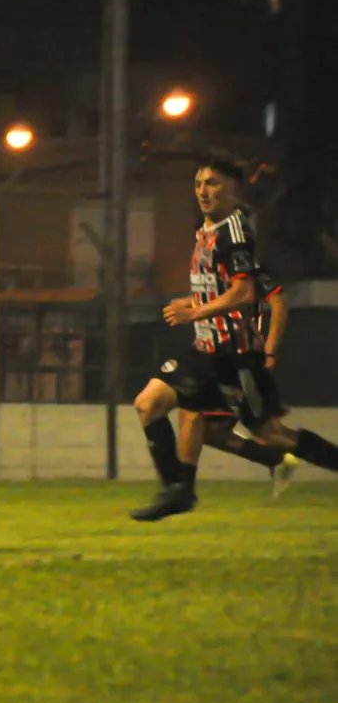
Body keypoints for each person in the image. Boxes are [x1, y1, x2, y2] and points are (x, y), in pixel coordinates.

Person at [131, 156, 338, 522]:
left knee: (271, 433)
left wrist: (195, 313)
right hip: (203, 350)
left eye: (212, 183)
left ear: (232, 188)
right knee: (150, 404)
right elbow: (220, 290)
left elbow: (244, 294)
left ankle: (200, 484)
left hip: (234, 356)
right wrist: (195, 304)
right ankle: (177, 491)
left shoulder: (234, 233)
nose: (203, 191)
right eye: (198, 184)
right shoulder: (205, 232)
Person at [135, 256, 300, 499]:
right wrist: (191, 303)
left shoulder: (246, 265)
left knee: (247, 429)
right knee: (208, 431)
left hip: (233, 359)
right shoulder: (209, 260)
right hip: (206, 355)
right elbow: (218, 299)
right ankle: (275, 459)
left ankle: (179, 490)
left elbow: (276, 304)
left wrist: (270, 350)